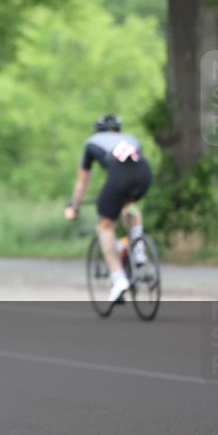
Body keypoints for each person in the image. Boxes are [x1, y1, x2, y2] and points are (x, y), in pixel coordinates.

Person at [64, 114, 152, 304]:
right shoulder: (131, 139)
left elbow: (82, 182)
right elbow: (132, 164)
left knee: (105, 226)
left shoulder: (91, 143)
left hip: (119, 178)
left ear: (98, 130)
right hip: (144, 174)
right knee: (127, 205)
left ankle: (119, 279)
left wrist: (74, 207)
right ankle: (138, 249)